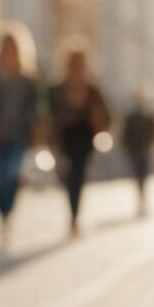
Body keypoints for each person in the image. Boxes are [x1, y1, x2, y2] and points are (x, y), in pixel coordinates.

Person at [0, 25, 39, 249]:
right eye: (6, 47)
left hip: (17, 136)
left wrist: (35, 132)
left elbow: (34, 110)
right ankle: (3, 215)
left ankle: (8, 213)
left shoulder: (27, 79)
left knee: (10, 175)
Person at [49, 41, 110, 237]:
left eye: (80, 63)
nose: (77, 67)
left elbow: (108, 116)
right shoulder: (58, 89)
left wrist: (97, 120)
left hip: (84, 139)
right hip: (64, 138)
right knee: (67, 176)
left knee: (77, 175)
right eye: (74, 63)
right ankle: (73, 214)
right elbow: (49, 114)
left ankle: (74, 217)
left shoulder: (93, 89)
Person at [122, 90, 154, 217]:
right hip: (135, 149)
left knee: (143, 174)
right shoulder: (130, 116)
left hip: (144, 148)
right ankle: (141, 199)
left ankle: (142, 199)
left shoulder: (148, 115)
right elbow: (125, 135)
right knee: (139, 175)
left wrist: (153, 142)